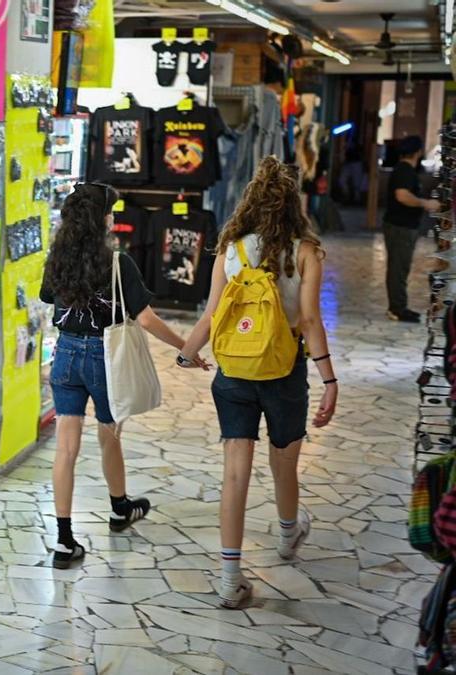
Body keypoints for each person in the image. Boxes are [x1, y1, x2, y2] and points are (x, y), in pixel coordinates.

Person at [179, 156, 338, 608]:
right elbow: (309, 319)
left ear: (250, 200)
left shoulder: (232, 248)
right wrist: (330, 379)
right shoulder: (305, 251)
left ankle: (231, 578)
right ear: (294, 204)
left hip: (234, 370)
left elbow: (211, 314)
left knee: (235, 471)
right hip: (284, 370)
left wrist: (188, 352)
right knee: (284, 463)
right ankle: (288, 537)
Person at [39, 182, 205, 569]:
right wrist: (187, 347)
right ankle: (119, 508)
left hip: (64, 355)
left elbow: (50, 298)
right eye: (111, 211)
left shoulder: (57, 259)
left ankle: (64, 539)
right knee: (110, 435)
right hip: (103, 358)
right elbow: (145, 318)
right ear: (102, 220)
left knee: (65, 449)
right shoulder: (117, 263)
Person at [384, 135, 441, 322]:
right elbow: (402, 195)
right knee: (398, 268)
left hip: (403, 225)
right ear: (417, 152)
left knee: (400, 267)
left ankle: (398, 305)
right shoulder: (405, 171)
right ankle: (397, 308)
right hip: (400, 226)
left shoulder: (404, 170)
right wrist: (425, 203)